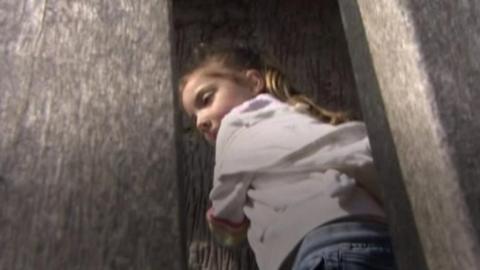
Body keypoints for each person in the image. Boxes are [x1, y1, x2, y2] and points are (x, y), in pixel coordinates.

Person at [179, 43, 397, 270]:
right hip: (376, 232)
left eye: (206, 100)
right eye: (194, 117)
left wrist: (221, 225)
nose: (200, 122)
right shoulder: (298, 116)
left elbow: (227, 202)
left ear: (254, 82)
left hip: (319, 247)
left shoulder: (235, 126)